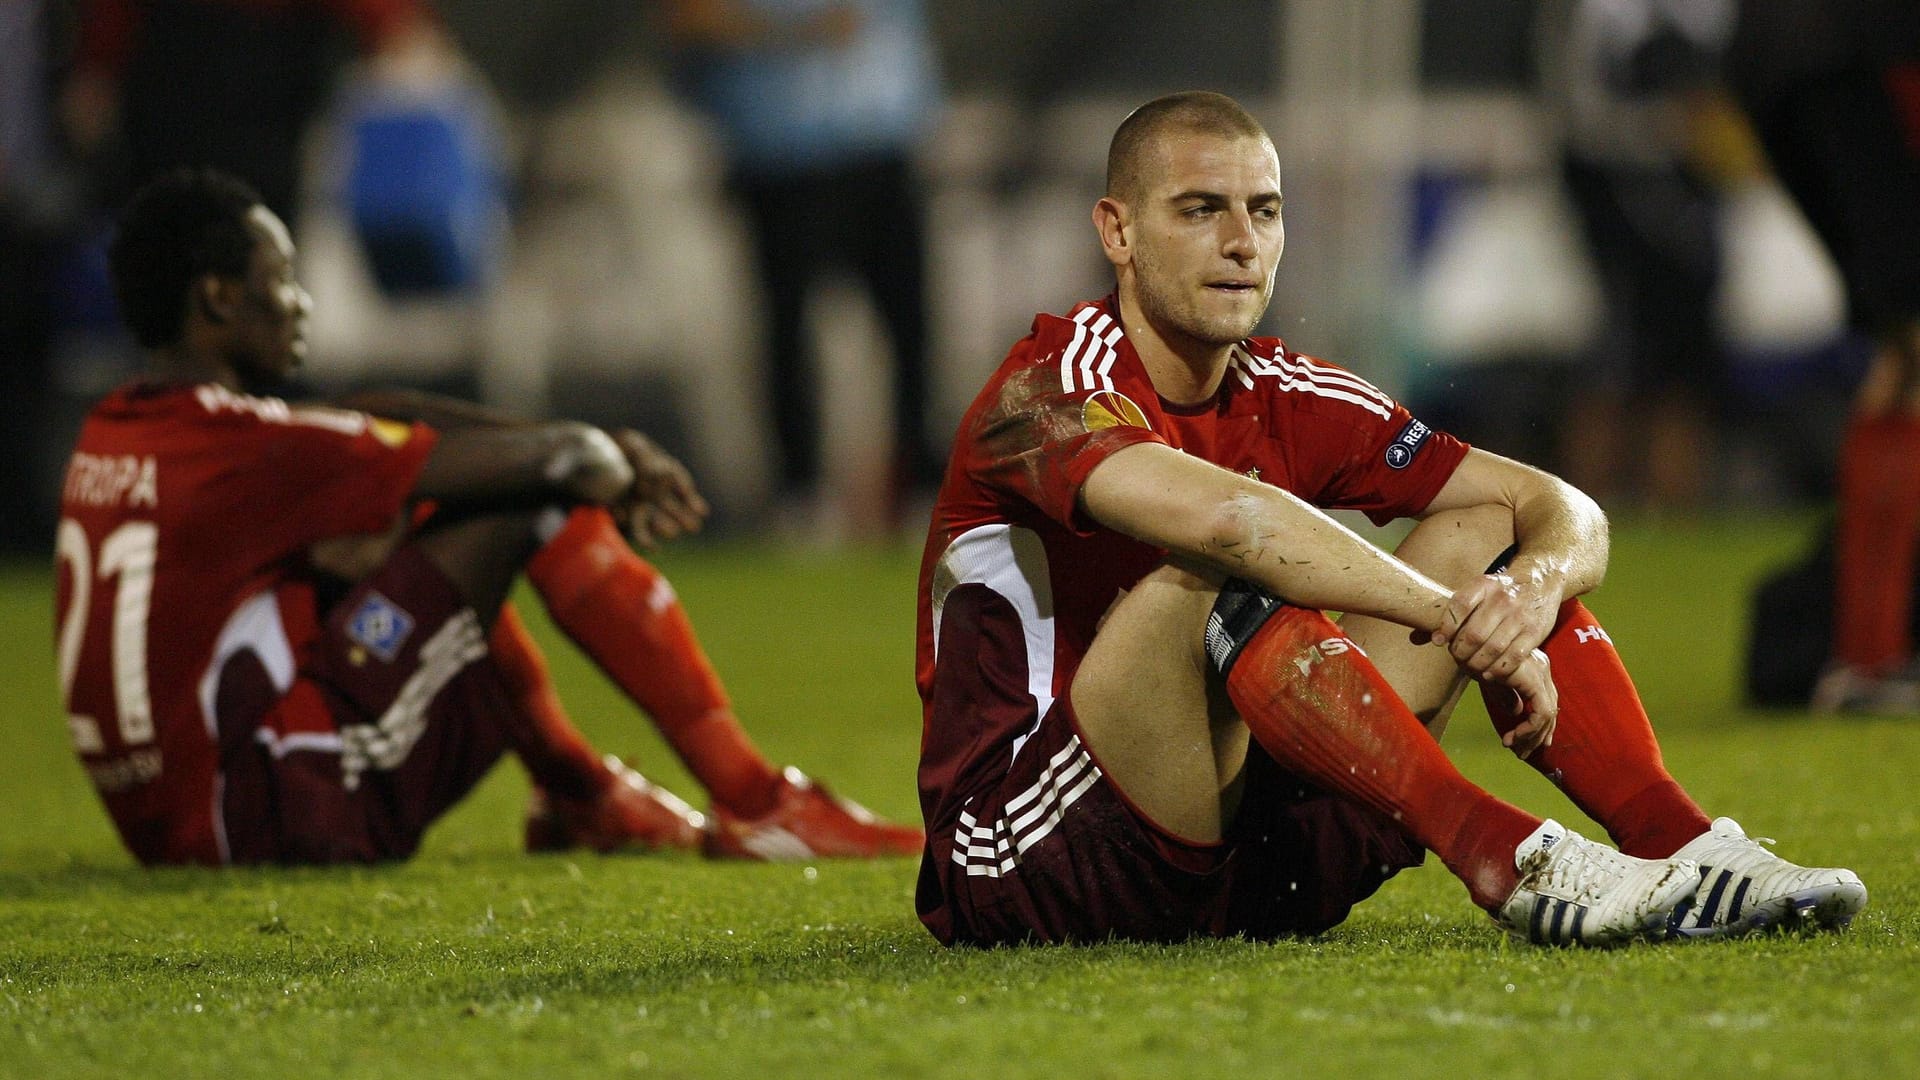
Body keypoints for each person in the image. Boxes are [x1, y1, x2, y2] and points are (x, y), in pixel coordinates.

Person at [912, 91, 1865, 948]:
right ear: (1117, 232)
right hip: (1032, 856)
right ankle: (1514, 858)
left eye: (1265, 210)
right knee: (1212, 577)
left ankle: (1685, 847)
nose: (1242, 241)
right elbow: (1237, 523)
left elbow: (1560, 507)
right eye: (1200, 209)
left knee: (1487, 529)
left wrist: (1522, 591)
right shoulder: (1045, 389)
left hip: (1250, 861)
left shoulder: (1287, 389)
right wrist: (1456, 619)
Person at [55, 167, 922, 867]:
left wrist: (565, 447)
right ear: (216, 302)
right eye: (279, 280)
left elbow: (371, 418)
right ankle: (754, 799)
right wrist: (603, 456)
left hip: (174, 818)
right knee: (527, 500)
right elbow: (560, 464)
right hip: (274, 811)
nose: (302, 301)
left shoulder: (121, 432)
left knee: (433, 535)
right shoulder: (247, 445)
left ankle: (585, 797)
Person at [662, 0, 944, 531]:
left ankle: (921, 486)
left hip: (881, 145)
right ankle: (801, 496)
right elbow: (689, 19)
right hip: (782, 155)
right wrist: (793, 32)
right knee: (788, 333)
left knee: (912, 327)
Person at [1722, 1, 1920, 713]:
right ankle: (1872, 658)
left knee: (1903, 348)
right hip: (1868, 53)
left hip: (1784, 56)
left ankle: (1866, 653)